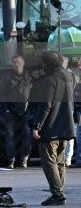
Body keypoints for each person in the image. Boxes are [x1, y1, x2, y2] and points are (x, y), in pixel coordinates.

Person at [30, 51, 75, 206]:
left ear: (48, 64)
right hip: (66, 125)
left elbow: (45, 106)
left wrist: (36, 126)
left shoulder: (48, 80)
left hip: (50, 127)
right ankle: (59, 192)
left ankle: (57, 195)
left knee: (49, 162)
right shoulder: (70, 76)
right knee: (60, 161)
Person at [0, 55, 32, 168]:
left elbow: (33, 93)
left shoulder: (29, 77)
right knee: (10, 135)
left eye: (18, 62)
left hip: (26, 111)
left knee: (28, 134)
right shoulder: (7, 77)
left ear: (23, 63)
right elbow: (1, 94)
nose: (16, 64)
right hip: (11, 111)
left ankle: (24, 159)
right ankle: (11, 160)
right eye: (14, 63)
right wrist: (6, 109)